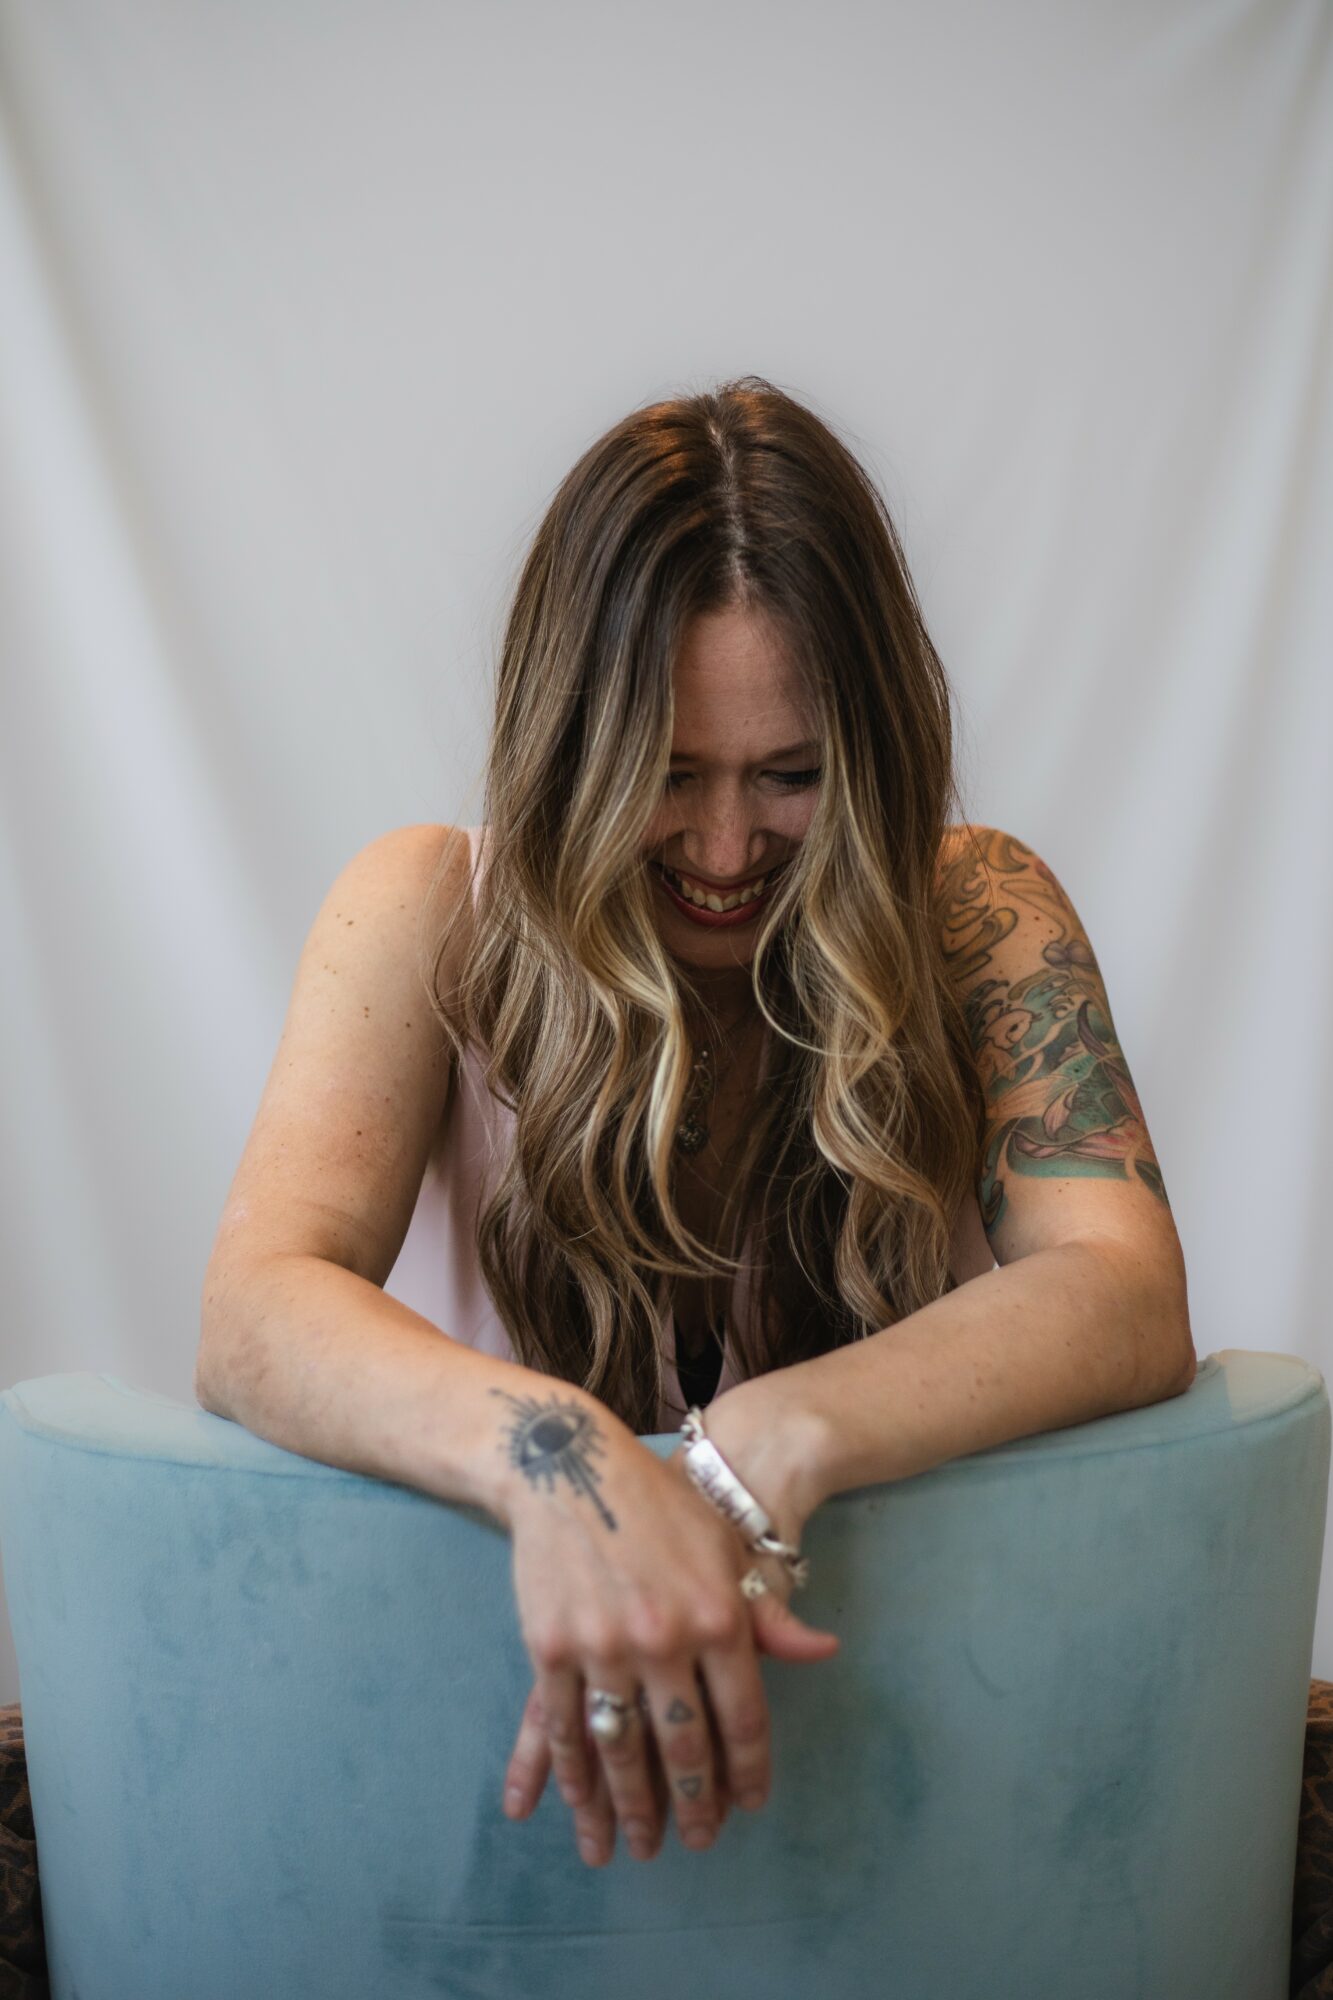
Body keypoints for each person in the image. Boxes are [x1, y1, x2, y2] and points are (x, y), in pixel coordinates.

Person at [195, 374, 1195, 1874]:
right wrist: (567, 1463)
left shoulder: (979, 907)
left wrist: (758, 1445)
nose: (727, 849)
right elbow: (254, 1309)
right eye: (665, 776)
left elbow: (1124, 1290)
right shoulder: (420, 910)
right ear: (565, 748)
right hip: (508, 1783)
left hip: (904, 1775)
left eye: (791, 777)